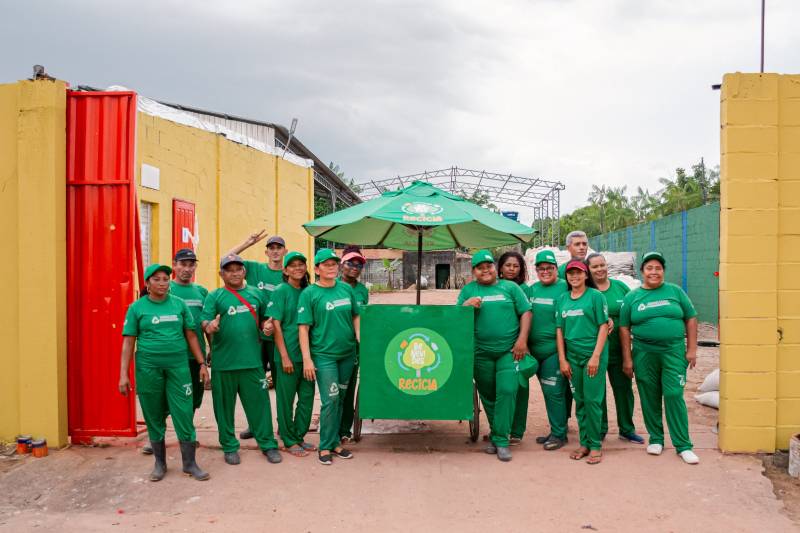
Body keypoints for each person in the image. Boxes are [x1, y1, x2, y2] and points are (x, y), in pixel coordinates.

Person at [118, 264, 210, 481]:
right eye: (157, 279)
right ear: (148, 283)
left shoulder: (178, 304)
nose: (162, 283)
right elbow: (128, 342)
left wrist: (202, 364)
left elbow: (192, 336)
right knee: (153, 412)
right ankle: (160, 463)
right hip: (148, 368)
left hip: (178, 367)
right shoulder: (137, 308)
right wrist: (123, 374)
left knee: (184, 412)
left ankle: (190, 464)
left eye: (165, 279)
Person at [618, 251, 700, 465]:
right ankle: (656, 438)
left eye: (658, 268)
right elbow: (624, 328)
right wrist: (627, 359)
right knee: (649, 395)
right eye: (649, 268)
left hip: (673, 352)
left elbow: (691, 318)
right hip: (644, 353)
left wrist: (691, 349)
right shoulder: (632, 297)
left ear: (663, 271)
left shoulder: (675, 291)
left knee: (673, 394)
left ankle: (683, 445)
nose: (654, 272)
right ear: (642, 271)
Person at [201, 254, 282, 465]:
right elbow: (205, 321)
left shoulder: (256, 294)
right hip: (224, 364)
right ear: (222, 274)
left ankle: (268, 444)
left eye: (238, 269)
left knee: (261, 406)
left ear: (244, 271)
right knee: (224, 408)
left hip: (252, 362)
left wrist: (267, 325)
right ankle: (229, 446)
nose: (235, 273)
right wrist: (210, 327)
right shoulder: (215, 296)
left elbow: (267, 318)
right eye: (229, 270)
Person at [457, 250, 531, 462]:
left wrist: (522, 340)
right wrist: (466, 307)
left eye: (488, 266)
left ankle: (500, 440)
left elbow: (526, 311)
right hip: (480, 353)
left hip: (510, 351)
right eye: (480, 268)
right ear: (474, 272)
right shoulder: (469, 290)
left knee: (507, 390)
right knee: (488, 396)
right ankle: (499, 435)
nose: (485, 270)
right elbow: (455, 318)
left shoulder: (510, 287)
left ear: (494, 268)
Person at [298, 248, 361, 465]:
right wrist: (307, 359)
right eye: (326, 264)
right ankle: (325, 445)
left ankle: (335, 442)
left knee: (341, 398)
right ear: (316, 269)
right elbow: (303, 328)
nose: (332, 267)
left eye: (334, 264)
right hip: (324, 356)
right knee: (330, 399)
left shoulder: (345, 289)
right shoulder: (309, 294)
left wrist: (359, 337)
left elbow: (355, 316)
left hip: (347, 354)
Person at [226, 231, 286, 439]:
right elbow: (226, 259)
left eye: (279, 248)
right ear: (266, 252)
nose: (275, 251)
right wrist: (247, 242)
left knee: (281, 384)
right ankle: (255, 424)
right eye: (272, 248)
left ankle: (282, 424)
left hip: (279, 337)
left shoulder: (288, 274)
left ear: (284, 251)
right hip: (256, 337)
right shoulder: (256, 269)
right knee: (255, 383)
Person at [586, 253, 644, 444]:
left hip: (620, 351)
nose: (600, 269)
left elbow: (633, 315)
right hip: (595, 352)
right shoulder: (586, 291)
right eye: (595, 266)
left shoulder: (620, 288)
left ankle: (626, 429)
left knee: (623, 390)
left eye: (602, 265)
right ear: (588, 269)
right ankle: (600, 428)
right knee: (597, 393)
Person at [556, 260, 609, 465]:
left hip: (593, 355)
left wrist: (595, 356)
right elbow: (559, 330)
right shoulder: (562, 299)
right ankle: (584, 442)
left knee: (593, 401)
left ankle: (595, 444)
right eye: (571, 273)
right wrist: (562, 358)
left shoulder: (595, 297)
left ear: (586, 275)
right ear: (567, 277)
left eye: (579, 273)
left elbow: (603, 327)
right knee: (580, 400)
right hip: (573, 357)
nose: (574, 276)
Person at [267, 251, 317, 457]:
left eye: (301, 264)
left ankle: (298, 435)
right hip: (287, 355)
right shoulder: (281, 290)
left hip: (307, 357)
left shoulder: (309, 291)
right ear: (285, 270)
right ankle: (288, 439)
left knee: (307, 398)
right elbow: (276, 324)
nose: (297, 268)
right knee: (285, 400)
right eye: (293, 265)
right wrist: (284, 356)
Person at [523, 250, 570, 451]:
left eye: (549, 268)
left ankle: (559, 434)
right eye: (541, 268)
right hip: (535, 352)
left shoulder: (565, 288)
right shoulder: (532, 290)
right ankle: (556, 429)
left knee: (554, 391)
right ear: (536, 270)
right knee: (548, 392)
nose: (545, 272)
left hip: (554, 350)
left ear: (556, 269)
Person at [496, 251, 531, 446]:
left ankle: (517, 431)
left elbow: (529, 314)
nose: (511, 269)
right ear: (500, 267)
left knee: (520, 387)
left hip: (521, 345)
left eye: (516, 266)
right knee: (503, 390)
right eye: (508, 265)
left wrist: (523, 342)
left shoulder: (525, 289)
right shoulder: (495, 287)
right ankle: (502, 428)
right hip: (502, 347)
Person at [170, 248, 209, 413]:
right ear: (174, 265)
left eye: (191, 265)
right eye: (183, 264)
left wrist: (211, 350)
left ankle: (186, 433)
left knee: (193, 397)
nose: (187, 269)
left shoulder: (202, 292)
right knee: (172, 397)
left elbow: (206, 323)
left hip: (196, 356)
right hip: (173, 355)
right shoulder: (166, 289)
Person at [338, 246, 369, 443]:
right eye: (350, 263)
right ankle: (331, 428)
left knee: (349, 389)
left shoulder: (362, 290)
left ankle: (344, 429)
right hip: (332, 347)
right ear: (342, 264)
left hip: (353, 347)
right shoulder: (330, 286)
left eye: (359, 265)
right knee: (334, 392)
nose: (354, 268)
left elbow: (363, 316)